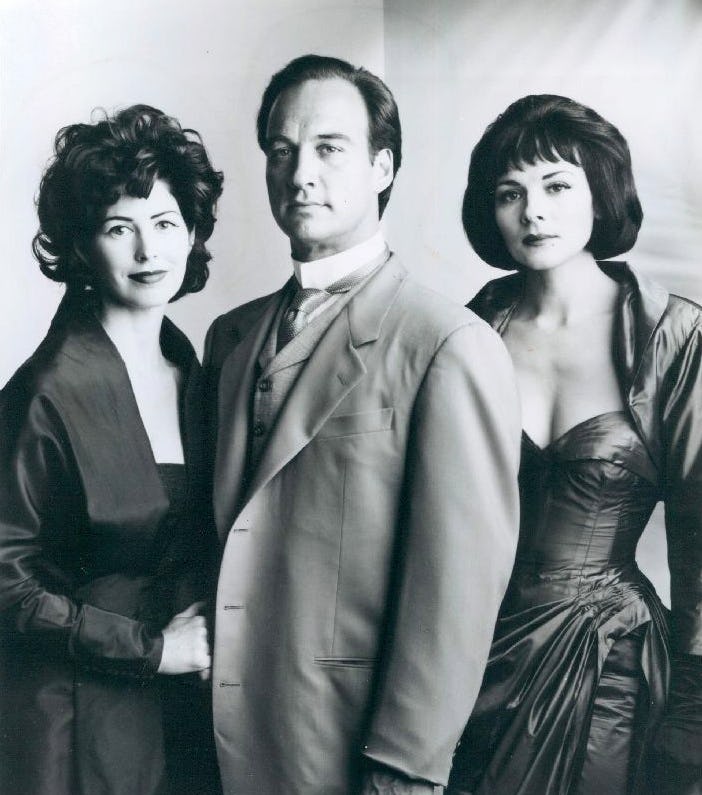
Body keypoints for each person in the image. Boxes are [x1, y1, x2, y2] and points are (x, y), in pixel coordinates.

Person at [203, 54, 521, 795]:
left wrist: (405, 768)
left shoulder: (448, 342)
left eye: (329, 148)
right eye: (281, 151)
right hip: (214, 740)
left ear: (382, 167)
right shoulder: (230, 337)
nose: (300, 174)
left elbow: (456, 592)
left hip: (346, 745)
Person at [447, 94, 702, 795]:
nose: (533, 211)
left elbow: (700, 533)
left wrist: (695, 709)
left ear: (600, 194)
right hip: (474, 653)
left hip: (607, 662)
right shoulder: (470, 329)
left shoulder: (672, 335)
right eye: (511, 193)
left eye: (557, 186)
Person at [0, 105, 224, 795]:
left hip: (180, 707)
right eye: (119, 228)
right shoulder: (45, 389)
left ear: (192, 233)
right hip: (71, 714)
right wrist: (151, 649)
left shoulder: (197, 372)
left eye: (165, 223)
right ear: (82, 246)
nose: (149, 252)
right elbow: (5, 580)